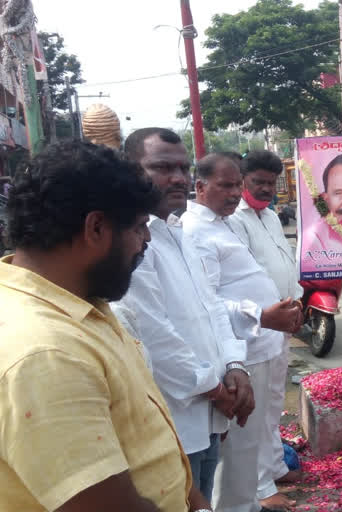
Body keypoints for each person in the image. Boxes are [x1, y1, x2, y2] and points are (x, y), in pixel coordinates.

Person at [0, 141, 212, 511]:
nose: (146, 241)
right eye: (139, 227)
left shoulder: (79, 302)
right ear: (96, 228)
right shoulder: (44, 352)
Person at [115, 128, 254, 503]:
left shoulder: (179, 231)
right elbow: (152, 333)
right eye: (161, 167)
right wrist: (214, 389)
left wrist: (236, 366)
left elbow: (211, 308)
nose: (177, 177)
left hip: (209, 412)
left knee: (203, 498)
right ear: (130, 171)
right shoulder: (130, 239)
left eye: (182, 167)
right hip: (173, 417)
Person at [181, 152, 302, 512]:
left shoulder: (223, 222)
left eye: (237, 185)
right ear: (200, 187)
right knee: (237, 447)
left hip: (263, 344)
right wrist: (261, 316)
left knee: (251, 441)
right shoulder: (196, 231)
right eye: (226, 185)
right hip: (241, 350)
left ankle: (249, 500)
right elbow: (207, 302)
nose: (235, 193)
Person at [229, 150, 305, 494]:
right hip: (255, 330)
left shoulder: (272, 216)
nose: (264, 189)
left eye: (270, 183)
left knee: (275, 400)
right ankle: (259, 487)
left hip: (283, 324)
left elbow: (284, 263)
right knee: (253, 413)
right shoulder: (234, 220)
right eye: (257, 181)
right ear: (242, 180)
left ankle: (274, 465)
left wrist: (298, 299)